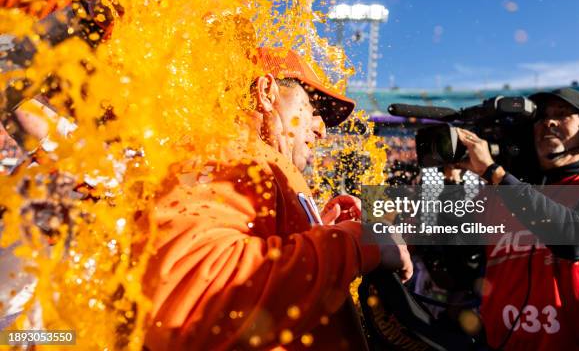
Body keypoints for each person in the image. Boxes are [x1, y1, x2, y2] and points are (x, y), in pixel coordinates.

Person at [141, 47, 412, 350]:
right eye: (314, 107)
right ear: (267, 92)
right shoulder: (231, 153)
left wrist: (313, 233)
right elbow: (188, 300)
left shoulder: (251, 160)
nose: (322, 130)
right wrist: (356, 241)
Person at [454, 87, 579, 350]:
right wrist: (448, 183)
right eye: (541, 117)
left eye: (562, 114)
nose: (548, 122)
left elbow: (576, 240)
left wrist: (495, 173)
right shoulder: (502, 194)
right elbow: (457, 269)